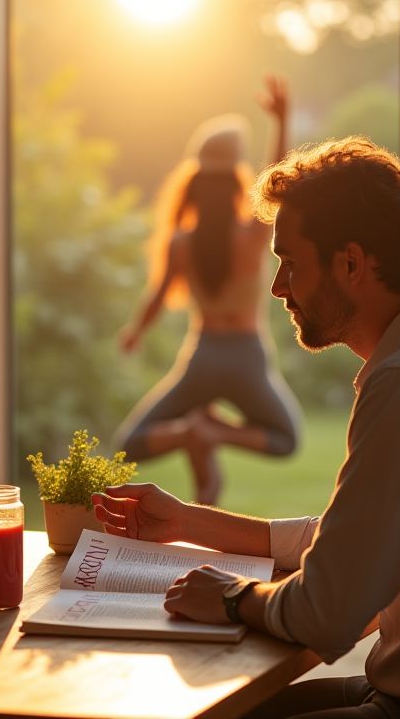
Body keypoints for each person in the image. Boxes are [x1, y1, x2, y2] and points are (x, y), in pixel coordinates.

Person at [93, 137, 400, 718]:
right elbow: (359, 542)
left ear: (352, 264)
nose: (279, 287)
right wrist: (187, 521)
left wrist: (232, 596)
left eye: (290, 264)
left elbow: (327, 613)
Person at [113, 75, 301, 505]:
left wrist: (135, 333)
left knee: (132, 441)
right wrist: (282, 120)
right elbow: (278, 181)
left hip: (203, 356)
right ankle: (213, 432)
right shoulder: (252, 236)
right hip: (247, 355)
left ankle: (191, 433)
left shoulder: (181, 243)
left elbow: (157, 297)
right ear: (238, 183)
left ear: (193, 185)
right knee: (286, 438)